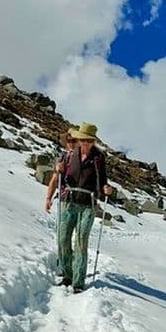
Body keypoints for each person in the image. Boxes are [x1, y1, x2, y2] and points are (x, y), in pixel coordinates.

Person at [47, 122, 113, 293]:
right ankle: (67, 275)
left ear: (93, 141)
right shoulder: (69, 155)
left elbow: (103, 180)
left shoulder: (98, 158)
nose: (85, 143)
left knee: (81, 241)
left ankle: (78, 282)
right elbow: (60, 176)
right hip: (67, 201)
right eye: (82, 140)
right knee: (62, 239)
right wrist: (59, 170)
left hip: (87, 205)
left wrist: (106, 189)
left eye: (89, 140)